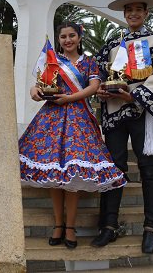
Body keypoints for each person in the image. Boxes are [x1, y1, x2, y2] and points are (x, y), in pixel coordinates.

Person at [19, 22, 127, 249]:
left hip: (79, 119)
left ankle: (70, 226)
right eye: (63, 36)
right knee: (54, 175)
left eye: (72, 36)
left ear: (79, 37)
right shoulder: (53, 61)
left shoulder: (89, 62)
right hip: (52, 119)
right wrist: (35, 92)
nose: (67, 40)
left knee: (73, 176)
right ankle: (58, 224)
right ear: (58, 39)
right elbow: (38, 85)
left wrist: (70, 98)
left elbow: (94, 86)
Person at [91, 0, 153, 254]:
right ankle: (108, 226)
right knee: (115, 166)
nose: (133, 13)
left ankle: (151, 227)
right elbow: (98, 73)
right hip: (114, 111)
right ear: (124, 14)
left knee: (148, 168)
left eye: (138, 10)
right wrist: (98, 87)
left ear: (145, 13)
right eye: (128, 9)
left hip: (141, 109)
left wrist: (134, 94)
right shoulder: (112, 44)